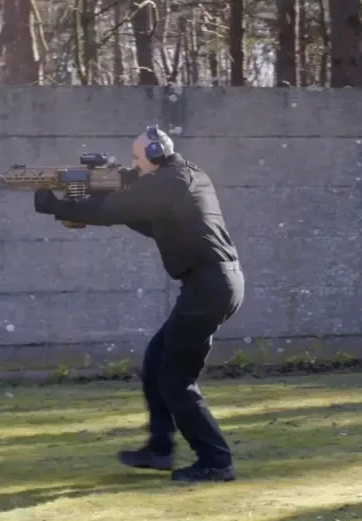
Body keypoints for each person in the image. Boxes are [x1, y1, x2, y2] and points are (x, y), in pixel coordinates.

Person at [33, 124, 244, 482]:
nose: (133, 165)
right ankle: (160, 449)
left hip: (209, 285)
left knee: (176, 379)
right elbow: (139, 218)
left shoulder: (172, 180)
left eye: (136, 158)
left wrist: (58, 205)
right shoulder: (179, 179)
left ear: (155, 154)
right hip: (210, 284)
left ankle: (216, 461)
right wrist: (88, 199)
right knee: (155, 364)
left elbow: (118, 208)